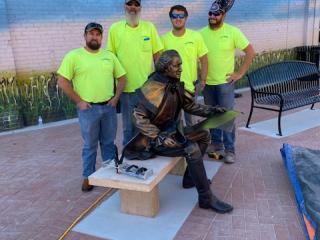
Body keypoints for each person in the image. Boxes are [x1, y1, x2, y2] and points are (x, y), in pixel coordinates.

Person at [123, 50, 233, 214]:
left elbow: (190, 106)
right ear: (166, 68)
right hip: (154, 141)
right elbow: (138, 116)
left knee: (204, 135)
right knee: (191, 148)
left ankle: (189, 178)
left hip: (172, 132)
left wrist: (213, 111)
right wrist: (158, 135)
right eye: (177, 65)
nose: (181, 68)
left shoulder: (174, 83)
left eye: (180, 64)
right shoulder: (151, 87)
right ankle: (205, 198)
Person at [57, 22, 126, 191]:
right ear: (85, 36)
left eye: (97, 34)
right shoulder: (74, 56)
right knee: (90, 144)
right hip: (88, 110)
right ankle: (88, 176)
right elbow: (62, 81)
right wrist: (79, 101)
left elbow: (122, 77)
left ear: (101, 37)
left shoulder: (109, 56)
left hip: (109, 108)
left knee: (108, 142)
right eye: (91, 34)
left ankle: (109, 175)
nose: (94, 37)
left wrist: (116, 98)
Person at [200, 0, 254, 163]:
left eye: (216, 14)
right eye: (210, 13)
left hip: (225, 84)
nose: (212, 16)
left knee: (227, 117)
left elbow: (250, 51)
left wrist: (240, 73)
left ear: (223, 15)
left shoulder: (233, 32)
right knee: (213, 115)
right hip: (207, 84)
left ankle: (230, 149)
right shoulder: (200, 33)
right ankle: (216, 144)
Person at [107, 0, 163, 146]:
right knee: (129, 127)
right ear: (124, 6)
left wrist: (159, 82)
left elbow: (157, 55)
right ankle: (129, 155)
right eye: (129, 4)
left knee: (149, 124)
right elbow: (110, 58)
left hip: (148, 89)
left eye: (136, 4)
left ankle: (147, 152)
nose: (133, 7)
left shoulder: (149, 27)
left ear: (140, 7)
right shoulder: (115, 29)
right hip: (127, 90)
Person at [161, 5, 208, 126]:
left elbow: (204, 59)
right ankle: (179, 143)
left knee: (190, 121)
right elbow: (161, 66)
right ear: (170, 18)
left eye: (181, 16)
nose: (178, 18)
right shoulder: (164, 40)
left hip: (190, 88)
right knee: (175, 121)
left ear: (186, 18)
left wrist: (203, 80)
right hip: (172, 89)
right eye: (174, 16)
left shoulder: (195, 36)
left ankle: (190, 143)